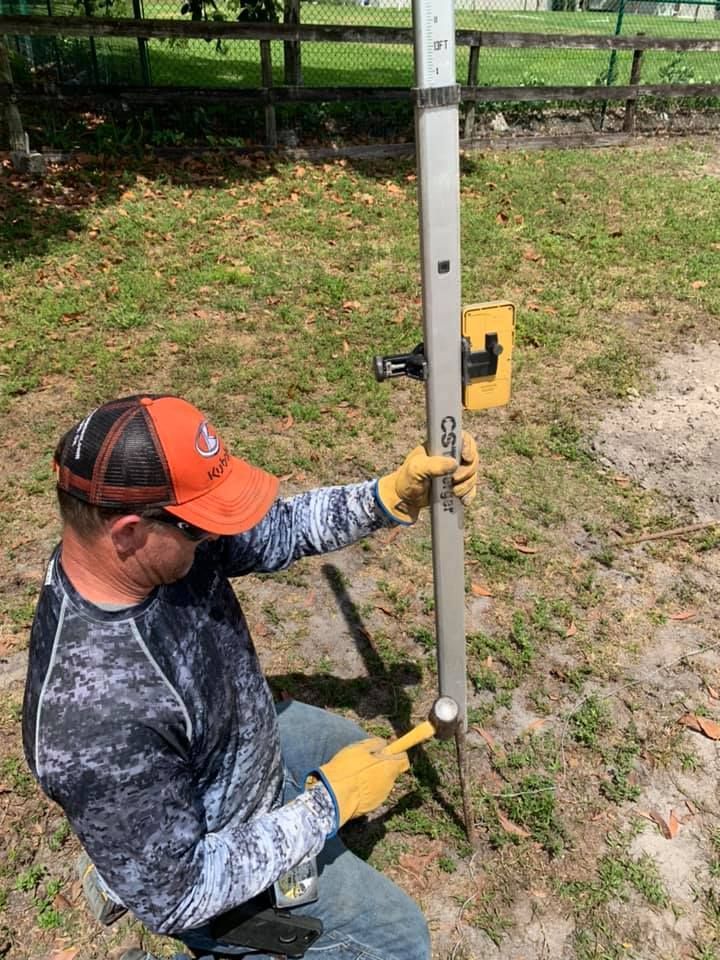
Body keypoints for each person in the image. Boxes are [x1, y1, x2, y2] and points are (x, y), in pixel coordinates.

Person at [22, 394, 479, 960]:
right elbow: (181, 894)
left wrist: (388, 496)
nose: (215, 536)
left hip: (237, 753)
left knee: (364, 752)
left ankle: (131, 848)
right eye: (200, 527)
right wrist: (326, 806)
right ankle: (198, 911)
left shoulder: (143, 546)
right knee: (400, 939)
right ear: (129, 533)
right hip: (205, 860)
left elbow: (277, 530)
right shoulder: (93, 720)